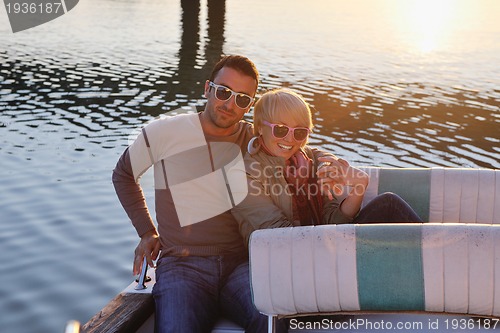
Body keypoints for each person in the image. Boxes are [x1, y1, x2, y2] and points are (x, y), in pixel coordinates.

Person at [112, 55, 267, 333]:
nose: (230, 104)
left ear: (250, 106)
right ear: (207, 88)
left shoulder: (255, 141)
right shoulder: (164, 132)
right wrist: (147, 232)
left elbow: (297, 149)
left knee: (271, 320)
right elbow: (124, 174)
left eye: (243, 99)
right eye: (223, 92)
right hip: (182, 267)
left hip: (241, 264)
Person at [232, 88, 423, 246]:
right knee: (389, 210)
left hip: (324, 246)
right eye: (280, 129)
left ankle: (435, 262)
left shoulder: (308, 160)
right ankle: (438, 259)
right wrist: (335, 242)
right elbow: (280, 236)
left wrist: (359, 188)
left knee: (389, 204)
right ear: (259, 127)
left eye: (299, 132)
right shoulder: (243, 176)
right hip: (286, 259)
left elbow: (334, 221)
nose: (290, 139)